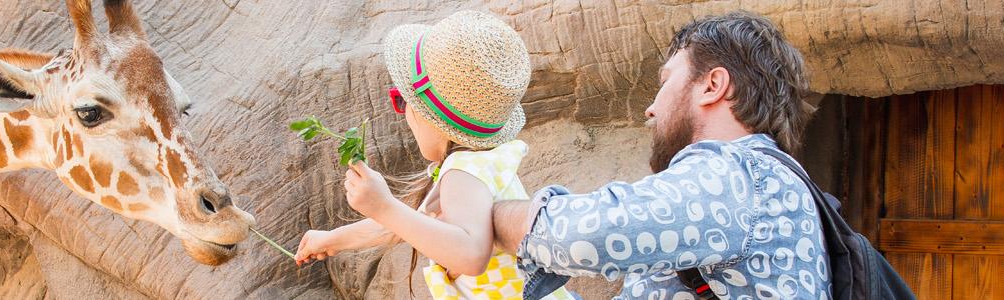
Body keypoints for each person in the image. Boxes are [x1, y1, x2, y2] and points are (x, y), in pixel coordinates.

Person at [486, 11, 828, 299]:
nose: (651, 109)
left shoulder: (741, 174)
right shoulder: (751, 190)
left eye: (666, 82)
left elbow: (579, 235)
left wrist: (487, 215)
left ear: (713, 86)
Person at [291, 10, 576, 299]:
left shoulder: (462, 173)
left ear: (434, 118)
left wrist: (383, 206)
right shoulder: (481, 159)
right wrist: (333, 239)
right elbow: (412, 225)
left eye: (402, 101)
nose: (404, 116)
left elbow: (470, 255)